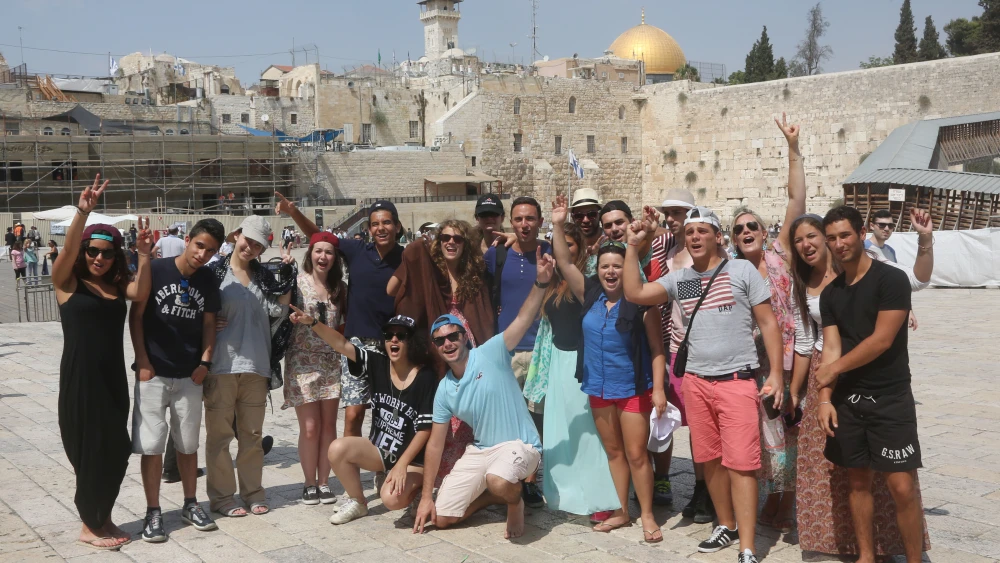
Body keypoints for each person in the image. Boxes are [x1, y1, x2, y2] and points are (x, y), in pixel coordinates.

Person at [624, 206, 785, 563]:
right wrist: (633, 246)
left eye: (702, 231)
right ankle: (726, 524)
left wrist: (775, 373)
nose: (695, 237)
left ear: (717, 236)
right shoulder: (682, 279)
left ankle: (747, 547)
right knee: (709, 459)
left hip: (736, 380)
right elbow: (635, 292)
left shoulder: (740, 270)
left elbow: (768, 323)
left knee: (742, 464)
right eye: (690, 232)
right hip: (696, 382)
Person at [789, 208, 933, 560]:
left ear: (861, 233)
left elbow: (882, 339)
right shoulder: (831, 295)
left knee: (902, 486)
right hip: (848, 399)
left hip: (890, 397)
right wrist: (825, 398)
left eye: (845, 235)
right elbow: (831, 347)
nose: (839, 243)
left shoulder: (891, 280)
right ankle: (866, 557)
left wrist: (832, 370)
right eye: (832, 237)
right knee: (857, 482)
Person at [413, 248, 554, 540]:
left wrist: (540, 282)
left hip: (521, 445)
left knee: (499, 480)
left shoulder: (490, 352)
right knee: (443, 518)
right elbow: (435, 445)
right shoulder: (444, 389)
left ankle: (513, 500)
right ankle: (492, 497)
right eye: (440, 341)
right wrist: (426, 497)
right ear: (435, 348)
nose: (448, 343)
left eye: (453, 336)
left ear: (464, 337)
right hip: (481, 450)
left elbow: (523, 318)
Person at [550, 196, 664, 540]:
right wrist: (557, 224)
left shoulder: (641, 301)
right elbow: (563, 261)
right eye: (604, 267)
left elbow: (657, 350)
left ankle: (647, 515)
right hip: (598, 387)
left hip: (631, 388)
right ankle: (621, 511)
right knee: (614, 453)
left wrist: (659, 389)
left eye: (617, 266)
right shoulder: (590, 294)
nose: (611, 272)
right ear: (596, 270)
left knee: (636, 455)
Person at [53, 175, 152, 550]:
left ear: (115, 257)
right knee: (90, 451)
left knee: (116, 449)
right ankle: (89, 525)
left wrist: (144, 254)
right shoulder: (67, 283)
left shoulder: (115, 287)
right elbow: (66, 253)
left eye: (107, 253)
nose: (99, 258)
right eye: (92, 251)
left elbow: (140, 292)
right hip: (81, 381)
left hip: (112, 380)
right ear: (84, 252)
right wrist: (82, 213)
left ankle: (103, 516)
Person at [275, 193, 404, 442]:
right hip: (356, 346)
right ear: (369, 229)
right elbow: (319, 237)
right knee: (354, 414)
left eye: (387, 222)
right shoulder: (357, 251)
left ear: (397, 226)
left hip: (393, 344)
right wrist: (294, 212)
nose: (381, 228)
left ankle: (383, 461)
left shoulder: (407, 257)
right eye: (375, 224)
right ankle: (350, 464)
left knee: (387, 413)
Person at [727, 114, 804, 532]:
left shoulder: (780, 254)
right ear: (734, 239)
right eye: (739, 229)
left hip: (790, 361)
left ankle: (785, 503)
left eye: (752, 225)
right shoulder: (730, 272)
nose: (746, 231)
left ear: (762, 230)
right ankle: (772, 497)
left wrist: (793, 149)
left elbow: (796, 200)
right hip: (752, 364)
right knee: (765, 434)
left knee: (790, 429)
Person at [288, 311, 436, 524]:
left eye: (401, 336)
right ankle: (358, 502)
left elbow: (425, 430)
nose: (394, 340)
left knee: (391, 499)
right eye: (389, 335)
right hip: (382, 451)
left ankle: (419, 491)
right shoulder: (378, 363)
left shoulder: (425, 377)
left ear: (412, 342)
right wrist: (312, 322)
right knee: (337, 448)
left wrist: (402, 464)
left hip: (413, 460)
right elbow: (341, 344)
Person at [128, 219, 225, 542]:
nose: (202, 254)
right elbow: (136, 315)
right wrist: (142, 360)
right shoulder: (157, 269)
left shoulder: (208, 278)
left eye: (210, 250)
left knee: (188, 444)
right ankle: (153, 510)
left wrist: (205, 362)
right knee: (151, 446)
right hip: (153, 371)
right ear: (187, 240)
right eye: (200, 246)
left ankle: (190, 503)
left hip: (189, 373)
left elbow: (209, 323)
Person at [206, 215, 295, 517]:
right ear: (236, 236)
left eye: (258, 245)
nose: (250, 247)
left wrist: (287, 274)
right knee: (219, 438)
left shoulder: (264, 278)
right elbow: (197, 310)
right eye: (248, 240)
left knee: (252, 437)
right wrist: (206, 323)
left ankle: (253, 493)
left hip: (256, 367)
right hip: (221, 367)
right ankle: (222, 498)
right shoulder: (214, 275)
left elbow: (279, 311)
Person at [483, 196, 550, 507]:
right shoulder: (496, 255)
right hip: (506, 352)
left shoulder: (549, 252)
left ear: (540, 221)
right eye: (519, 219)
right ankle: (507, 478)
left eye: (530, 218)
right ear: (511, 222)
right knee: (506, 419)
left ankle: (531, 481)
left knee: (536, 420)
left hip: (540, 351)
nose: (525, 224)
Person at [283, 231, 347, 505]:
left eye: (328, 252)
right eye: (318, 251)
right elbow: (279, 308)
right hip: (302, 361)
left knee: (329, 426)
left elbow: (343, 324)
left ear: (335, 257)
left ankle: (324, 482)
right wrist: (284, 270)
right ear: (310, 254)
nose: (323, 257)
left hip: (331, 362)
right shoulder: (297, 283)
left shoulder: (339, 289)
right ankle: (309, 483)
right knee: (310, 427)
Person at [645, 188, 699, 512]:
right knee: (660, 414)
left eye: (677, 213)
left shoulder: (700, 251)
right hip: (661, 341)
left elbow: (689, 300)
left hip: (687, 347)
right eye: (668, 213)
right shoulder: (663, 244)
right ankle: (660, 478)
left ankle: (702, 487)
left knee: (697, 421)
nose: (671, 219)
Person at [569, 187, 604, 253]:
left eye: (591, 214)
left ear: (599, 215)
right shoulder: (569, 244)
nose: (586, 220)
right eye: (579, 216)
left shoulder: (611, 240)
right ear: (573, 217)